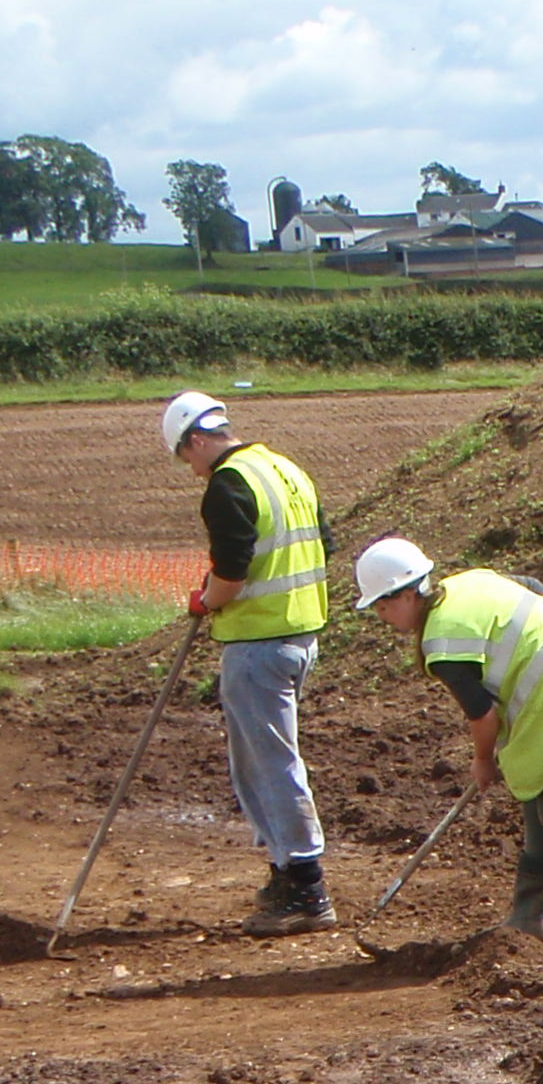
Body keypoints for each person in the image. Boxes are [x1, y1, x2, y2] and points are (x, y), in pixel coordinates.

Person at [351, 536, 543, 957]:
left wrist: (482, 761)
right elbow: (535, 588)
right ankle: (529, 917)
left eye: (383, 605)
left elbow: (482, 717)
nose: (382, 614)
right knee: (535, 803)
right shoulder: (470, 583)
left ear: (408, 594)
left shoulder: (443, 646)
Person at [163, 390, 334, 935]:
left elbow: (232, 570)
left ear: (196, 441)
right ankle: (286, 870)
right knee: (259, 762)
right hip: (300, 635)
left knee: (270, 764)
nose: (189, 469)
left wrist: (207, 600)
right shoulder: (285, 469)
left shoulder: (228, 484)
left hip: (259, 643)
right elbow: (323, 544)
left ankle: (306, 888)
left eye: (184, 456)